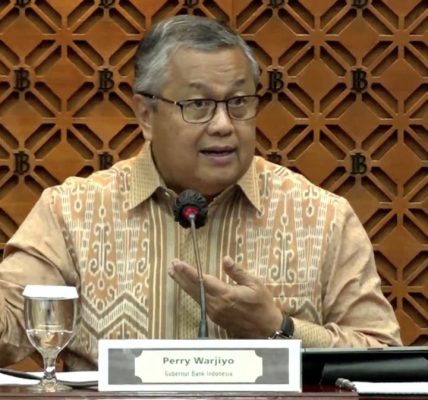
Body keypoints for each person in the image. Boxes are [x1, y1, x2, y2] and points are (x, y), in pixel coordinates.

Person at [0, 15, 401, 371]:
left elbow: (383, 360)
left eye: (238, 102)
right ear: (146, 114)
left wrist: (278, 328)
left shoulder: (322, 217)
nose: (223, 124)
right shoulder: (72, 213)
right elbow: (10, 326)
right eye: (198, 104)